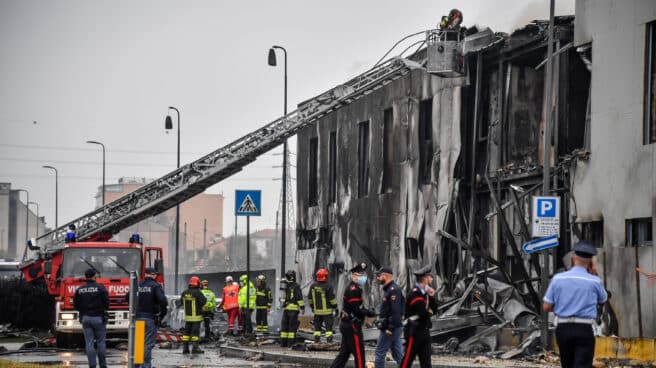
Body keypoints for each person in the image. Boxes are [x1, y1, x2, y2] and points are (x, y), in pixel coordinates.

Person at [543, 241, 608, 368]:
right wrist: (594, 273)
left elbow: (546, 306)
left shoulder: (558, 279)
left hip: (563, 328)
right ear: (590, 261)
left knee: (567, 364)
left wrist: (563, 307)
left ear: (573, 258)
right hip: (584, 329)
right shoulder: (594, 281)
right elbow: (603, 300)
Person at [330, 262, 376, 368]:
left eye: (364, 274)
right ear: (354, 275)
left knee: (344, 354)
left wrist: (368, 311)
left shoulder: (355, 288)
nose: (363, 277)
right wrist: (368, 313)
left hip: (347, 324)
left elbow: (358, 307)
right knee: (359, 353)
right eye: (361, 275)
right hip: (352, 326)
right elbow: (356, 310)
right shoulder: (353, 290)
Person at [400, 265, 438, 368]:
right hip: (414, 332)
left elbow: (434, 310)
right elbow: (423, 313)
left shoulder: (425, 293)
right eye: (430, 277)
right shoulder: (414, 294)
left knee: (426, 362)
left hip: (424, 331)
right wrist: (428, 313)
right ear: (425, 279)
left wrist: (432, 297)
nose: (432, 279)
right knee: (407, 360)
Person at [73, 268, 110, 368]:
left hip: (85, 318)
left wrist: (83, 311)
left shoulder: (80, 289)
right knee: (101, 342)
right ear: (95, 276)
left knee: (89, 343)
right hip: (98, 318)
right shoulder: (100, 288)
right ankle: (103, 365)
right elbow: (107, 303)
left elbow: (75, 305)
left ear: (85, 277)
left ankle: (92, 365)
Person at [135, 267, 167, 368]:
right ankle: (145, 366)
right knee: (148, 344)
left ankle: (137, 364)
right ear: (152, 274)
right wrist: (161, 314)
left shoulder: (138, 285)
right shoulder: (155, 286)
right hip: (150, 318)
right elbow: (162, 300)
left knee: (139, 344)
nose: (156, 276)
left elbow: (127, 297)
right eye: (155, 274)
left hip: (138, 317)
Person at [374, 266, 404, 368]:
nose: (378, 278)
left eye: (379, 276)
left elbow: (396, 311)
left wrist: (390, 327)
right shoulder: (389, 289)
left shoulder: (393, 289)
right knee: (398, 354)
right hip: (393, 326)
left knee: (379, 352)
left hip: (391, 327)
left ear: (385, 276)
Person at [308, 268, 337, 343]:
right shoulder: (328, 286)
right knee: (328, 328)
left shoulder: (313, 286)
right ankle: (329, 342)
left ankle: (316, 341)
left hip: (317, 312)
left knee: (317, 328)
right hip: (327, 312)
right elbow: (332, 299)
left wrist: (312, 307)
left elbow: (310, 298)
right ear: (325, 276)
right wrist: (335, 306)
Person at [180, 276, 207, 354]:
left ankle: (185, 349)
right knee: (195, 333)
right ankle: (195, 348)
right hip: (196, 317)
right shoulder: (198, 292)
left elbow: (181, 303)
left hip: (188, 317)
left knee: (186, 333)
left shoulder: (184, 292)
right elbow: (203, 301)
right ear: (197, 283)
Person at [280, 270, 305, 347]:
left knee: (284, 327)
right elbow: (299, 298)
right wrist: (302, 307)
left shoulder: (285, 285)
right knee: (292, 327)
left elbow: (283, 297)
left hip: (286, 309)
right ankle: (290, 344)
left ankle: (283, 343)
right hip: (293, 310)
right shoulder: (296, 286)